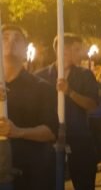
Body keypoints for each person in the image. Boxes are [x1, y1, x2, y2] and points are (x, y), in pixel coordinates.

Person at [36, 33, 100, 190]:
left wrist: (70, 92)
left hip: (79, 139)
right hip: (49, 140)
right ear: (63, 50)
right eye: (77, 50)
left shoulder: (85, 75)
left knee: (84, 182)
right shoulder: (40, 77)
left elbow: (92, 104)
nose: (81, 54)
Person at [0, 25, 58, 189]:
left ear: (25, 51)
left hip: (30, 175)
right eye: (5, 38)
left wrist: (18, 131)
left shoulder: (41, 87)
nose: (11, 41)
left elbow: (50, 132)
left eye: (17, 39)